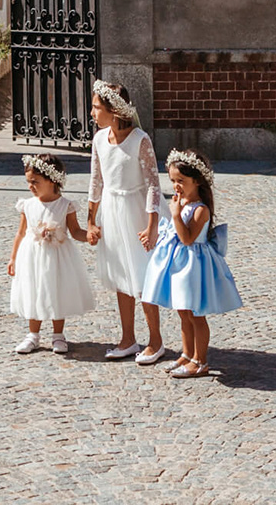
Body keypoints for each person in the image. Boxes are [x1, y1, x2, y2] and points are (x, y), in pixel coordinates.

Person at [84, 81, 168, 365]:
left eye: (96, 107)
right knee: (122, 275)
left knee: (143, 276)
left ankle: (155, 341)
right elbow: (96, 181)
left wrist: (152, 225)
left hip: (137, 211)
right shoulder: (99, 140)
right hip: (112, 210)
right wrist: (91, 221)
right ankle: (128, 338)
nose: (92, 113)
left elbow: (153, 184)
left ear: (114, 110)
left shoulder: (139, 140)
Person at [140, 148, 242, 378]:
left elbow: (187, 239)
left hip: (193, 266)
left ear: (197, 181)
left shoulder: (200, 210)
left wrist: (176, 215)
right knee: (183, 312)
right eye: (172, 180)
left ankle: (200, 360)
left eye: (181, 181)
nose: (175, 186)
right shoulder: (182, 202)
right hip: (179, 264)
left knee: (195, 314)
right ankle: (187, 354)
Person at [8, 154, 97, 354]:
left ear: (52, 180)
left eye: (35, 182)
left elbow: (75, 231)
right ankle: (33, 335)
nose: (30, 186)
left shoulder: (65, 205)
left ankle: (58, 335)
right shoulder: (28, 205)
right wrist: (13, 258)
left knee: (57, 290)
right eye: (28, 182)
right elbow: (21, 233)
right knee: (34, 289)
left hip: (58, 256)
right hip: (32, 256)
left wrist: (89, 236)